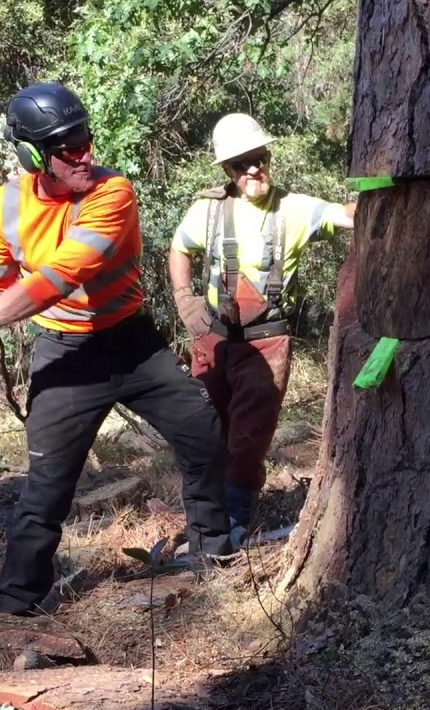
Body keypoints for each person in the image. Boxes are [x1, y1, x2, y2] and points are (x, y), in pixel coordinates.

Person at [0, 82, 233, 615]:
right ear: (34, 154)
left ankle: (213, 553)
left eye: (86, 140)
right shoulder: (3, 206)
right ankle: (15, 601)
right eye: (68, 148)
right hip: (66, 356)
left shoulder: (112, 193)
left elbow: (58, 277)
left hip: (133, 345)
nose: (85, 155)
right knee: (47, 484)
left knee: (203, 435)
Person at [168, 113, 354, 543]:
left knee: (249, 437)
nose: (253, 168)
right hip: (213, 339)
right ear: (227, 171)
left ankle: (235, 521)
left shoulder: (293, 208)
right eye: (241, 163)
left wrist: (386, 200)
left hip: (266, 342)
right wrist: (184, 299)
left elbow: (344, 215)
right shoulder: (208, 211)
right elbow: (180, 248)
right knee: (203, 429)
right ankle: (202, 517)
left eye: (259, 158)